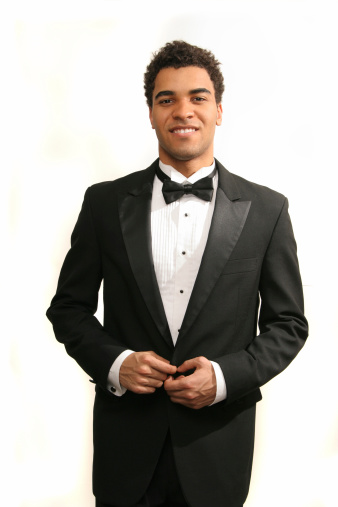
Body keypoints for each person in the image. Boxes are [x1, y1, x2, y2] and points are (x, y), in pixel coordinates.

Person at [47, 40, 308, 507]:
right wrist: (115, 362)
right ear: (150, 113)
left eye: (198, 97)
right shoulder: (104, 204)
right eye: (166, 99)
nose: (182, 110)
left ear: (219, 110)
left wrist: (225, 377)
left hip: (218, 446)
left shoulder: (268, 210)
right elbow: (68, 308)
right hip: (125, 449)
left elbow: (288, 325)